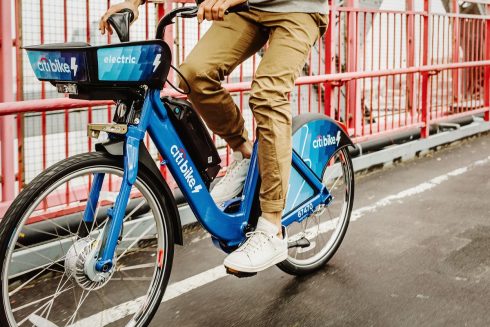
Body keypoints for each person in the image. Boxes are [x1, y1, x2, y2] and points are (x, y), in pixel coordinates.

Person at [100, 0, 328, 273]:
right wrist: (134, 2)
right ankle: (244, 152)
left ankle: (271, 228)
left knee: (268, 96)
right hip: (249, 9)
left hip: (296, 8)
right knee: (193, 74)